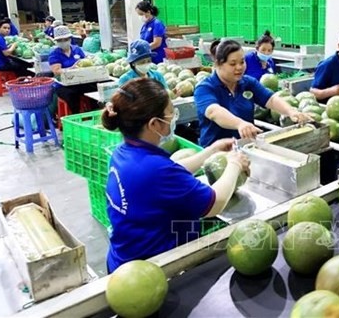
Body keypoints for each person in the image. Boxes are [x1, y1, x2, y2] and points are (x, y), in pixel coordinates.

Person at [101, 78, 250, 272]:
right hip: (152, 271)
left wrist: (210, 151)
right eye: (171, 114)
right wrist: (234, 164)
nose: (173, 119)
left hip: (124, 258)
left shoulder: (124, 152)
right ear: (154, 123)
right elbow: (214, 203)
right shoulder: (155, 169)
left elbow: (171, 171)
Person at [194, 40, 311, 147]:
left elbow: (270, 99)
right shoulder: (205, 88)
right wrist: (239, 124)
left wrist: (290, 111)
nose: (239, 67)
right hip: (215, 152)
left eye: (242, 62)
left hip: (246, 147)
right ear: (218, 64)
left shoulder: (247, 82)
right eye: (233, 64)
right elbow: (214, 112)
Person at [49, 25, 96, 114]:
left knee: (93, 88)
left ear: (70, 38)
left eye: (65, 39)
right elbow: (57, 71)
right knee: (71, 95)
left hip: (80, 81)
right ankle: (76, 116)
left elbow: (85, 61)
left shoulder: (77, 49)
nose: (63, 42)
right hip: (63, 85)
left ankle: (93, 112)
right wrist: (71, 69)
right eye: (60, 40)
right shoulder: (54, 53)